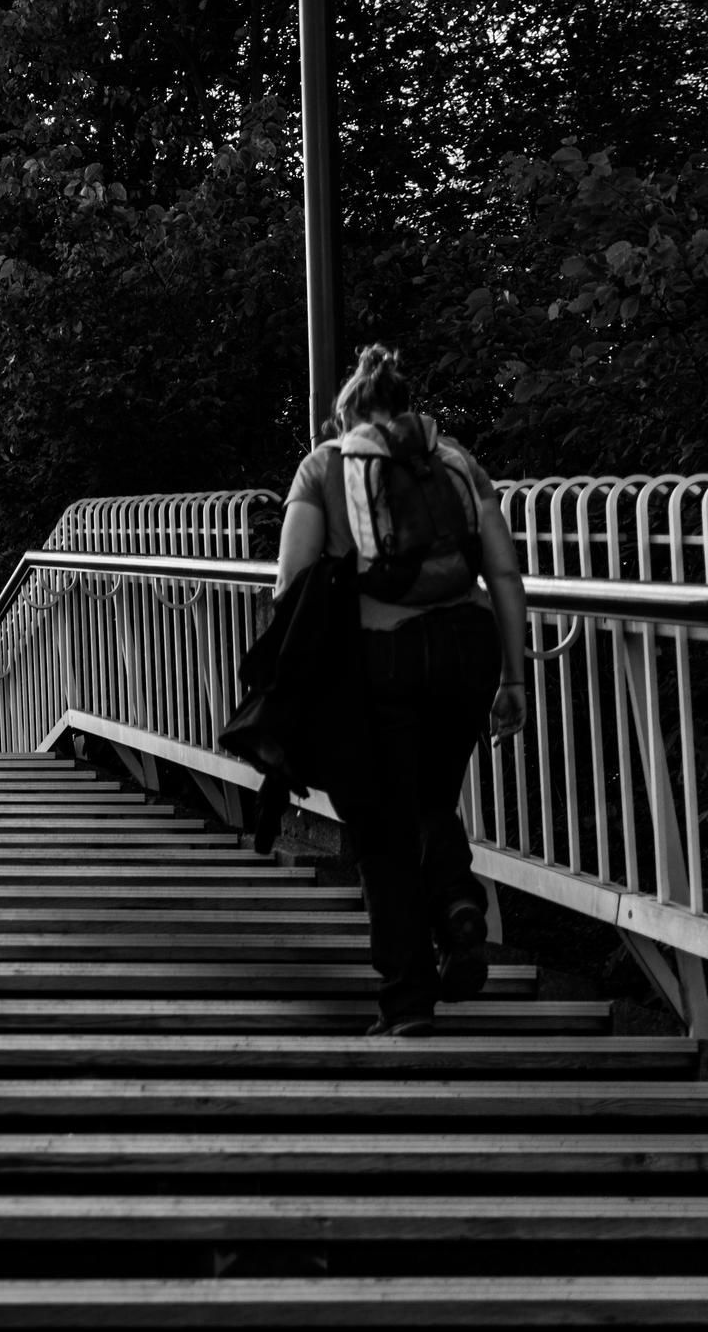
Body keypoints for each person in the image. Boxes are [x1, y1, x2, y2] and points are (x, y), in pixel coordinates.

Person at [275, 344, 528, 1038]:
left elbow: (291, 580)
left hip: (379, 658)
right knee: (430, 800)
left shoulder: (325, 465)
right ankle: (453, 901)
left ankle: (408, 1000)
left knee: (382, 829)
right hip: (469, 649)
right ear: (407, 405)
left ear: (346, 413)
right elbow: (503, 574)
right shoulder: (454, 461)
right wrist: (513, 674)